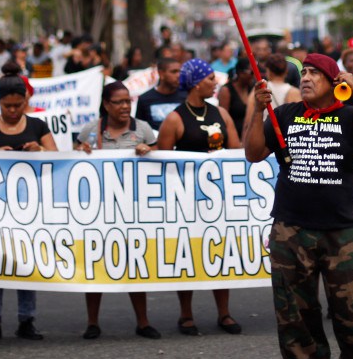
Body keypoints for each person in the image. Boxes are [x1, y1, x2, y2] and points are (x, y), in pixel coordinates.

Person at [243, 52, 353, 359]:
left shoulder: (352, 116)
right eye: (303, 72)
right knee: (294, 309)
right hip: (291, 229)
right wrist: (257, 109)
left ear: (333, 82)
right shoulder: (285, 116)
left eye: (314, 74)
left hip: (343, 231)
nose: (305, 78)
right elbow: (253, 153)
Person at [0, 76, 56, 342]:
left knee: (25, 261)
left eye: (19, 105)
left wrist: (38, 149)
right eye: (8, 106)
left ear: (26, 101)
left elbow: (59, 156)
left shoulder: (38, 125)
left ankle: (26, 319)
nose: (14, 111)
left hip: (28, 206)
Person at [156, 59, 243, 335]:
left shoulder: (222, 114)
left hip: (218, 198)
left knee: (221, 251)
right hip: (186, 200)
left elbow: (236, 152)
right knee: (187, 253)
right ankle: (186, 315)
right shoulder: (174, 119)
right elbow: (164, 162)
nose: (215, 83)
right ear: (195, 83)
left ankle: (225, 313)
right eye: (209, 79)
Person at [74, 82, 160, 340]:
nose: (125, 106)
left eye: (127, 101)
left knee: (135, 261)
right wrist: (81, 152)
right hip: (99, 208)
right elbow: (75, 158)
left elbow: (160, 154)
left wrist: (150, 150)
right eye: (118, 102)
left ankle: (143, 322)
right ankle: (92, 322)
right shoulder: (91, 130)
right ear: (106, 105)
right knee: (94, 261)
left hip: (133, 208)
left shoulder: (142, 129)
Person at [134, 54, 188, 131]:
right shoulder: (145, 99)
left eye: (180, 72)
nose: (178, 75)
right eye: (174, 72)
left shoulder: (186, 97)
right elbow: (139, 129)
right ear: (161, 74)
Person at [216, 55, 254, 132]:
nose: (253, 76)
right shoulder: (226, 90)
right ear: (240, 73)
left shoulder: (252, 88)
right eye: (251, 72)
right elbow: (223, 118)